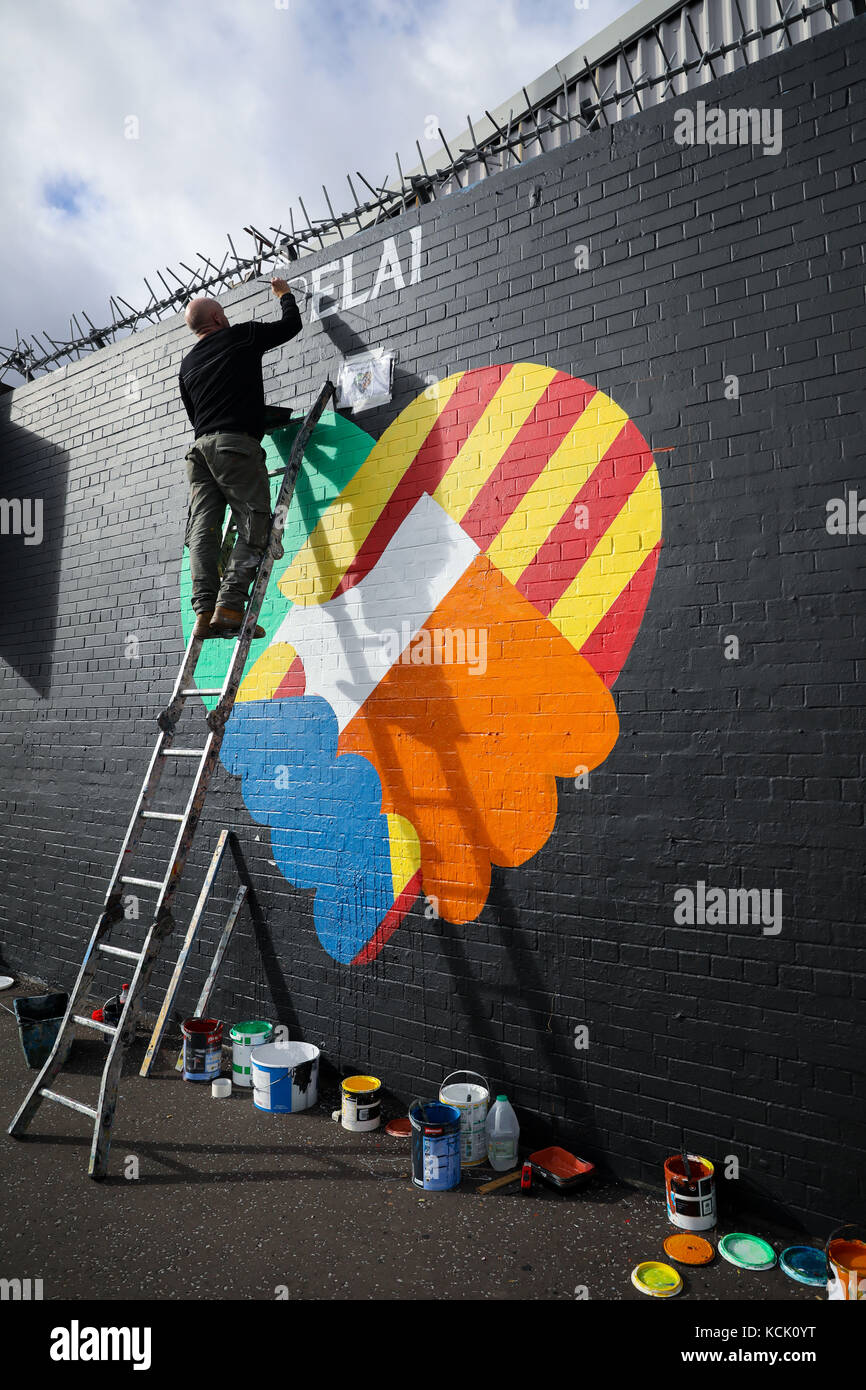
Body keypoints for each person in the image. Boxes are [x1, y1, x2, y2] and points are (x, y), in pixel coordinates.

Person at [178, 278, 303, 639]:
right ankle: (230, 607)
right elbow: (289, 326)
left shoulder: (186, 367)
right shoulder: (241, 335)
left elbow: (201, 417)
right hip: (235, 447)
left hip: (200, 453)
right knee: (256, 520)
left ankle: (204, 612)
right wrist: (284, 294)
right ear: (218, 318)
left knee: (203, 530)